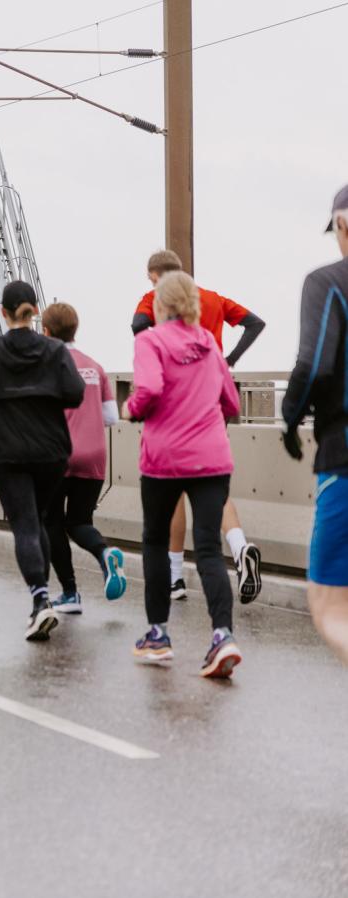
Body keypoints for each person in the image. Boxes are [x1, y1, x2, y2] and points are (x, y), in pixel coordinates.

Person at [128, 271, 243, 677]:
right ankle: (222, 637)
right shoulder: (210, 344)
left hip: (164, 459)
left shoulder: (150, 341)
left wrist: (132, 409)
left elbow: (149, 390)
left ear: (159, 305)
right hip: (212, 459)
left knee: (156, 543)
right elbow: (231, 402)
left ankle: (158, 636)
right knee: (209, 548)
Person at [132, 249, 264, 603]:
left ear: (157, 276)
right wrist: (229, 360)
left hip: (171, 409)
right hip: (211, 404)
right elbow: (255, 322)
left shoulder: (153, 300)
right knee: (212, 488)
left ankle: (174, 576)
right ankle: (238, 547)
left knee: (173, 493)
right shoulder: (213, 298)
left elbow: (137, 328)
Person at [0, 281, 84, 642]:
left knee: (25, 526)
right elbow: (76, 395)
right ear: (35, 309)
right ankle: (45, 596)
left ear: (3, 312)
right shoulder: (54, 351)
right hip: (52, 454)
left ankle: (39, 600)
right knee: (43, 521)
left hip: (10, 454)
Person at [282, 185, 348, 665]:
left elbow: (317, 364)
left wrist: (289, 418)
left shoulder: (328, 283)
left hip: (344, 457)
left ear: (342, 225)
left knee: (329, 604)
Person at [39, 303, 128, 615]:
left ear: (46, 331)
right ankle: (104, 554)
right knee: (79, 522)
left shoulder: (47, 363)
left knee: (51, 522)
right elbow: (111, 417)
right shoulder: (95, 366)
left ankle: (70, 593)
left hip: (58, 455)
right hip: (94, 456)